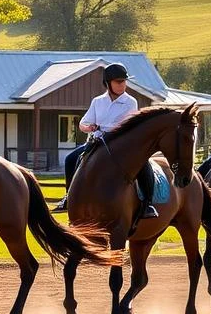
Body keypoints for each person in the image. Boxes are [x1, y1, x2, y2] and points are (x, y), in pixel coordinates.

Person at [54, 63, 157, 218]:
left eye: (124, 81)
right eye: (118, 81)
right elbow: (83, 123)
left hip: (120, 145)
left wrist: (106, 128)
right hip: (96, 142)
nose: (122, 85)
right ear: (108, 83)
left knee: (144, 164)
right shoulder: (97, 101)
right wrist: (89, 128)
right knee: (70, 159)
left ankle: (148, 204)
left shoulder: (131, 102)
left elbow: (127, 125)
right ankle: (69, 196)